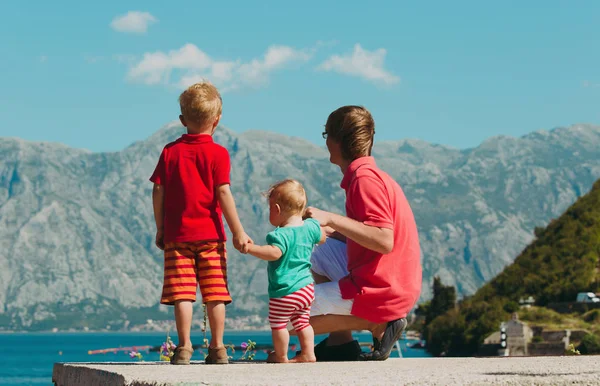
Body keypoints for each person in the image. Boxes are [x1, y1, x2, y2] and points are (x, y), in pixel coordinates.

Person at [301, 105, 422, 361]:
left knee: (287, 315)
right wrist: (327, 229)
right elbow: (366, 234)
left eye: (326, 136)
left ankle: (377, 323)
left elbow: (383, 240)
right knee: (310, 242)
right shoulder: (368, 175)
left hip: (381, 289)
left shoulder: (364, 180)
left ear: (337, 141)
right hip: (387, 280)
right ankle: (340, 343)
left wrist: (331, 217)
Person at [150, 82, 251, 365]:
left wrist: (161, 227)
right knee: (215, 294)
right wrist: (238, 231)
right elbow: (223, 192)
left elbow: (158, 190)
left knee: (182, 294)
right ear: (217, 121)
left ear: (182, 121)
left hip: (177, 237)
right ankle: (217, 348)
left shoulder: (170, 152)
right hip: (211, 236)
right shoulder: (219, 154)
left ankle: (183, 348)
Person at [243, 179, 325, 363]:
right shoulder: (311, 227)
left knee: (279, 325)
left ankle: (281, 356)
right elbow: (322, 238)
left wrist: (251, 248)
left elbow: (273, 253)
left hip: (284, 291)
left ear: (277, 210)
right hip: (306, 289)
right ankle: (308, 353)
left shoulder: (279, 235)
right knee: (303, 322)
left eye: (270, 208)